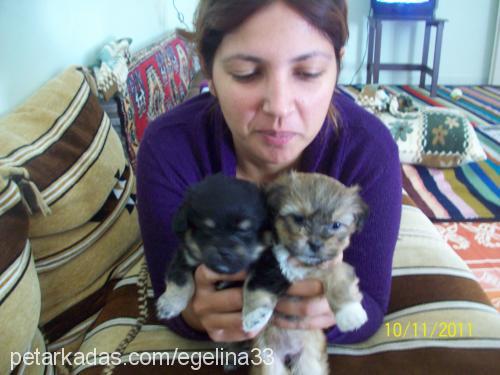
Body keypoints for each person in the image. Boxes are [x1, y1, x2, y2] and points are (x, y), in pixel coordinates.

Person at [136, 0, 402, 345]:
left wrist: (332, 315)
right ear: (208, 71)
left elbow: (373, 306)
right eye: (246, 73)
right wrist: (194, 312)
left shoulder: (370, 152)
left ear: (338, 65)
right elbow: (168, 290)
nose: (278, 106)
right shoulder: (168, 149)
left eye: (308, 73)